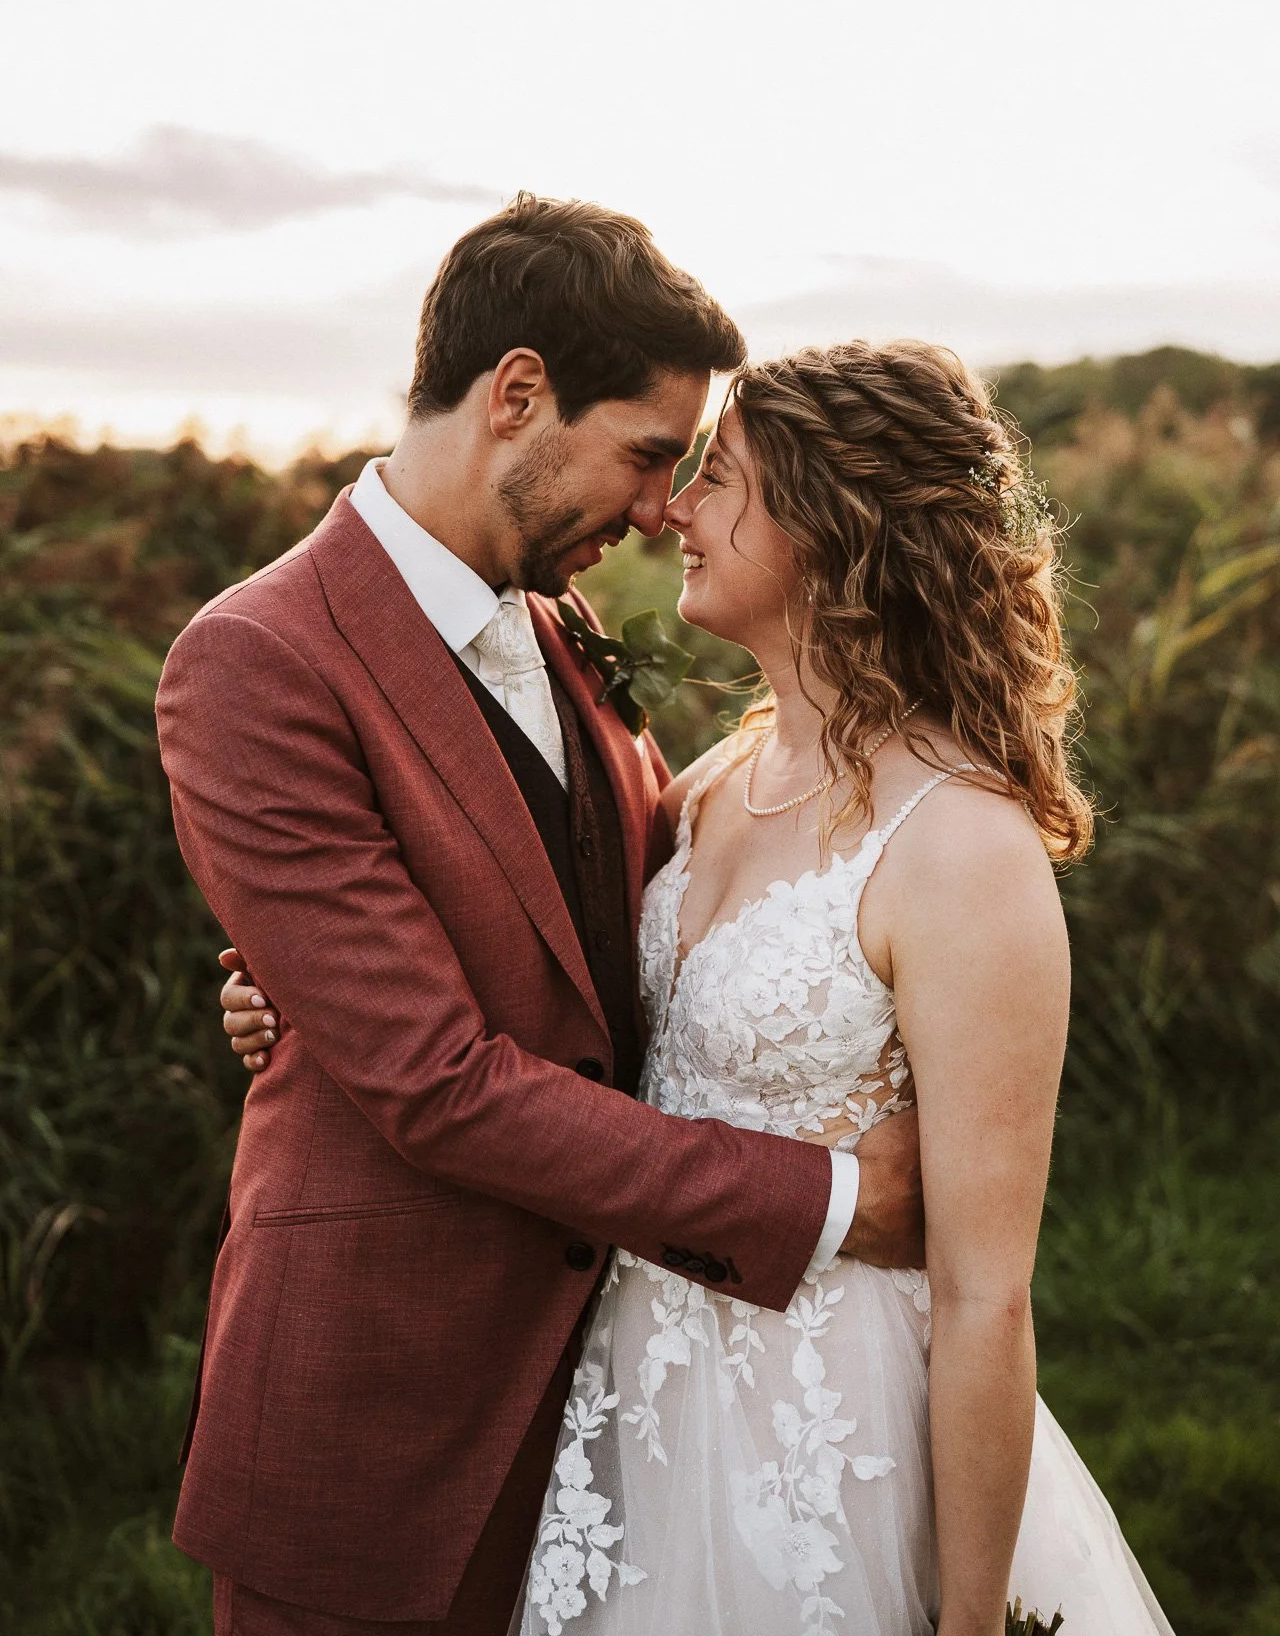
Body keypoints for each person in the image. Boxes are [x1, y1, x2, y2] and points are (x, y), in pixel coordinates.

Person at [227, 338, 1176, 1635]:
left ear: (832, 529)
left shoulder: (961, 849)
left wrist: (966, 1622)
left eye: (715, 477)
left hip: (829, 1421)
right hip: (633, 1401)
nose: (671, 509)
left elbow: (984, 1294)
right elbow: (531, 956)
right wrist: (301, 989)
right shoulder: (711, 785)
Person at [156, 196, 925, 1636]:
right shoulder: (256, 661)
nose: (656, 510)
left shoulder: (557, 621)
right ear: (517, 395)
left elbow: (602, 925)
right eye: (645, 453)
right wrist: (828, 1202)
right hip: (379, 1409)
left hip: (621, 1405)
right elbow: (435, 1079)